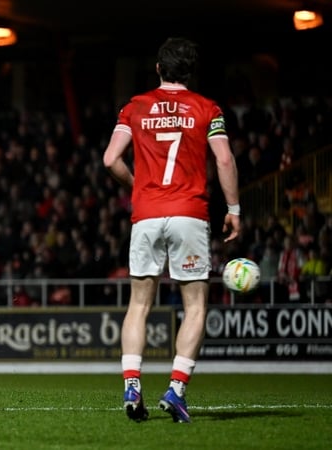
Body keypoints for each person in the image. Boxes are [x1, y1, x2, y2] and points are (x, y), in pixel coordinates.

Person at [102, 37, 240, 423]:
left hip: (146, 214)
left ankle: (132, 384)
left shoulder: (135, 106)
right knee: (195, 305)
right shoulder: (206, 108)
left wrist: (137, 188)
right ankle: (177, 388)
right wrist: (234, 209)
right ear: (190, 73)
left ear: (159, 69)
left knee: (139, 305)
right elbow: (224, 158)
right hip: (189, 213)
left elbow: (110, 158)